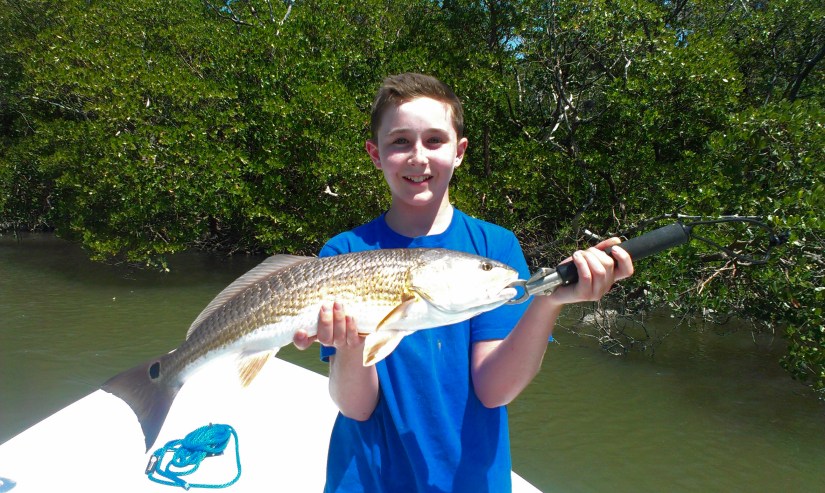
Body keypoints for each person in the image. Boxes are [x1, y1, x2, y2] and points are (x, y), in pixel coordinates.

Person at [293, 73, 634, 492]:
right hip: (366, 479)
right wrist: (351, 346)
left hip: (470, 480)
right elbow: (356, 407)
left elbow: (493, 391)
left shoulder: (496, 249)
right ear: (375, 154)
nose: (418, 157)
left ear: (459, 151)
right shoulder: (343, 254)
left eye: (435, 140)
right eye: (400, 141)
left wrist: (549, 303)